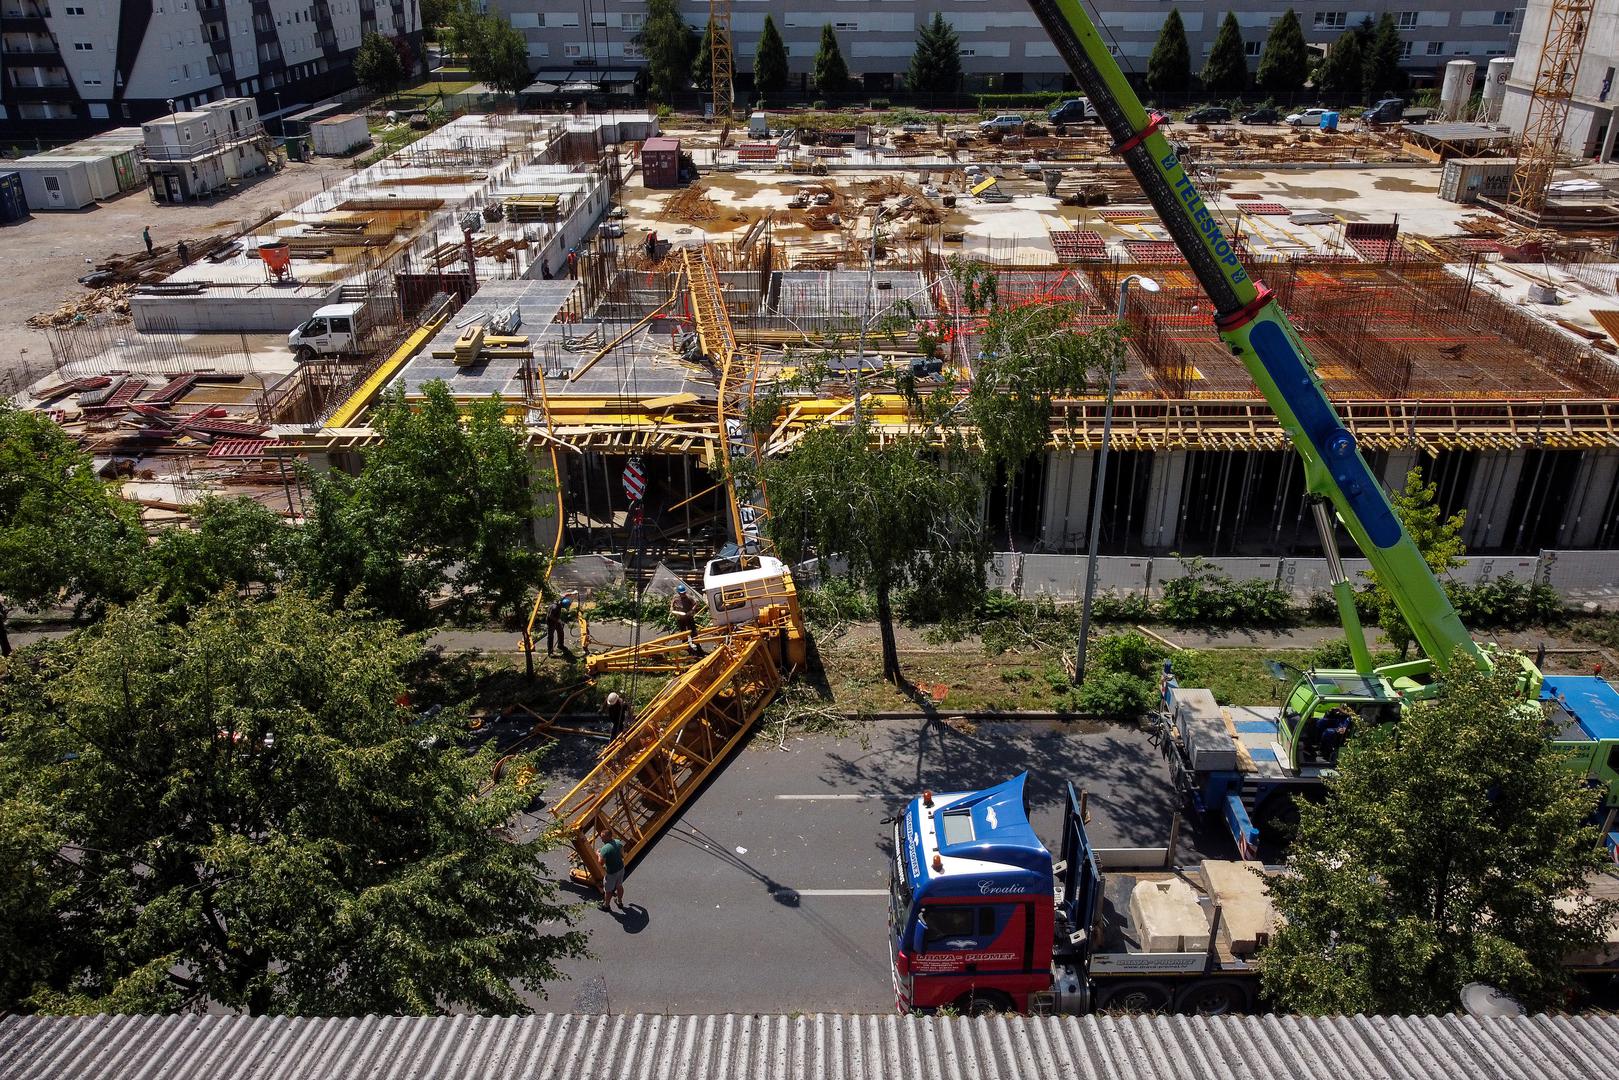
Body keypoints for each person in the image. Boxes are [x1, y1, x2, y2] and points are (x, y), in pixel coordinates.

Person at [598, 833, 626, 911]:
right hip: (620, 868)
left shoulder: (605, 849)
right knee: (619, 885)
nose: (601, 839)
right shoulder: (618, 842)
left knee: (608, 891)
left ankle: (606, 906)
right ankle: (619, 902)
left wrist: (598, 854)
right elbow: (622, 853)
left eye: (602, 837)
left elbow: (600, 863)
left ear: (608, 837)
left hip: (611, 873)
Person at [670, 583, 700, 654]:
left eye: (684, 593)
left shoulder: (689, 597)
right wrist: (671, 608)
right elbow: (672, 603)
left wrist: (692, 610)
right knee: (683, 632)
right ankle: (685, 646)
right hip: (681, 618)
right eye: (681, 593)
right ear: (678, 593)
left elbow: (696, 603)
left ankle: (696, 644)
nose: (683, 594)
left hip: (689, 617)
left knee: (693, 631)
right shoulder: (675, 597)